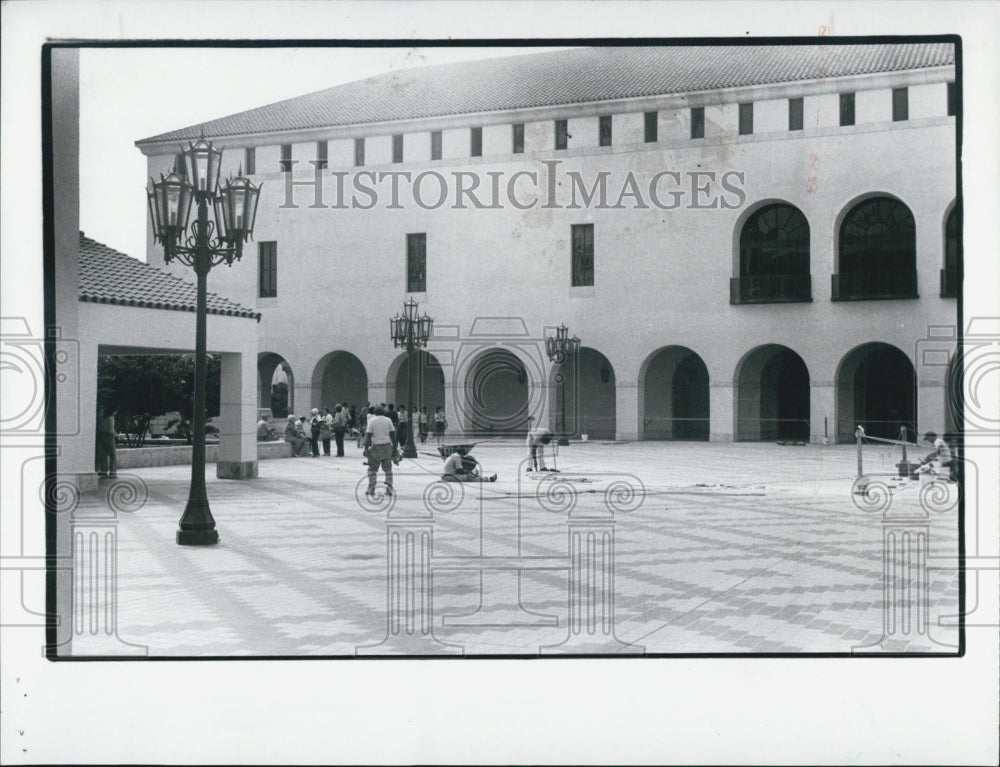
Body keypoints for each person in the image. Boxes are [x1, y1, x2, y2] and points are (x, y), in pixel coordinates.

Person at [364, 406, 397, 496]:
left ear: (375, 412)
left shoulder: (372, 421)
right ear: (384, 412)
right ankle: (389, 488)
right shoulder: (388, 420)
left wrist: (366, 448)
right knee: (388, 469)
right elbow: (393, 435)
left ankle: (371, 488)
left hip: (376, 447)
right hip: (387, 446)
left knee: (372, 469)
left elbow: (368, 435)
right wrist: (395, 448)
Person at [95, 407, 118, 478]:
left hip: (101, 436)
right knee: (113, 455)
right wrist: (118, 435)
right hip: (109, 437)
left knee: (103, 455)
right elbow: (111, 430)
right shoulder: (111, 418)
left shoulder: (102, 418)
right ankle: (113, 472)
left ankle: (103, 472)